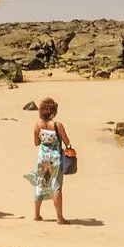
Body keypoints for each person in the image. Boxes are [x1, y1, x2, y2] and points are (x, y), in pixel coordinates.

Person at [29, 96, 72, 224]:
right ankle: (59, 218)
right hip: (55, 159)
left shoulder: (38, 125)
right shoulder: (58, 125)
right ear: (52, 112)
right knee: (57, 186)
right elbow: (67, 141)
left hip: (42, 159)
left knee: (40, 184)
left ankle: (37, 215)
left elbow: (36, 143)